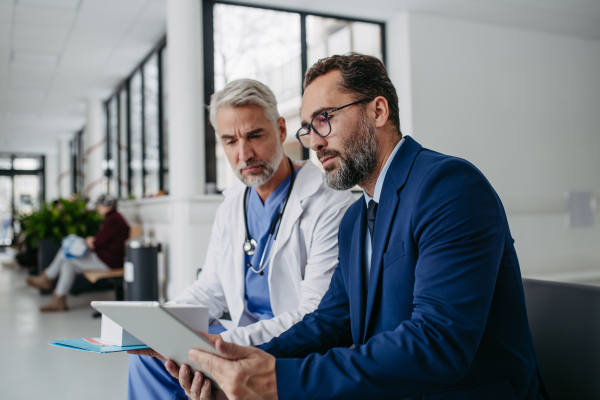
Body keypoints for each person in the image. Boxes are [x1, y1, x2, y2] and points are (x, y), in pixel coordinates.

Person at [186, 53, 550, 400]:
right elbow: (329, 322)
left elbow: (438, 343)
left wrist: (279, 380)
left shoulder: (450, 187)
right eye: (308, 128)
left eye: (325, 118)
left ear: (378, 110)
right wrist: (238, 361)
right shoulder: (355, 220)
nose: (314, 142)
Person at [126, 79, 354, 400]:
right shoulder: (232, 205)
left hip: (290, 345)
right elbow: (210, 289)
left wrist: (226, 343)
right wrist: (161, 324)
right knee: (149, 361)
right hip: (238, 336)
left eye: (255, 136)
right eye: (230, 141)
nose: (244, 154)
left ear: (280, 129)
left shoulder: (330, 202)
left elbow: (314, 313)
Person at [26, 195, 129, 312]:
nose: (98, 209)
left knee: (66, 254)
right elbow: (103, 240)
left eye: (99, 206)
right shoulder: (114, 218)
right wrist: (93, 240)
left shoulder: (113, 220)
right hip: (106, 258)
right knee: (68, 262)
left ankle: (48, 278)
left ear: (106, 206)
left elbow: (97, 243)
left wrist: (91, 241)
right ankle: (58, 298)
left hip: (108, 261)